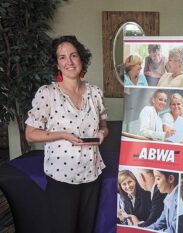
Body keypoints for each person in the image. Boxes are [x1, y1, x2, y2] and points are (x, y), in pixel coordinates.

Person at [25, 35, 108, 233]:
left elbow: (103, 122)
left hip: (91, 174)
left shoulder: (95, 92)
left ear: (82, 59)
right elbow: (30, 134)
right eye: (62, 57)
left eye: (73, 55)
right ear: (57, 64)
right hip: (62, 176)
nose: (69, 62)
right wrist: (62, 135)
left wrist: (103, 132)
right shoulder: (48, 93)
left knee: (86, 229)